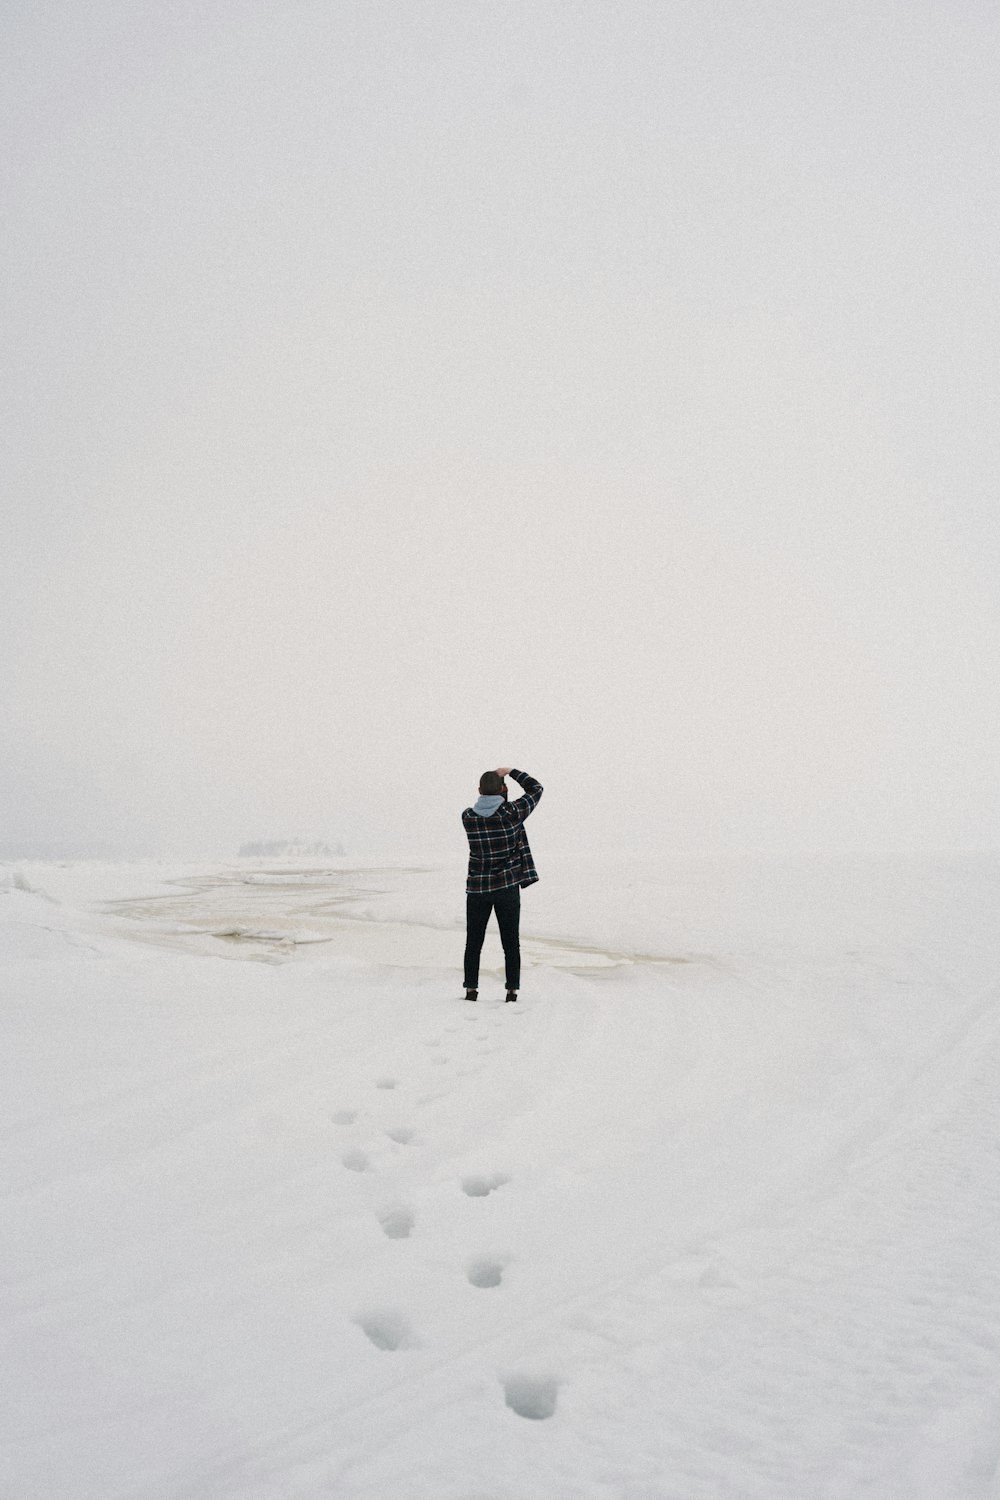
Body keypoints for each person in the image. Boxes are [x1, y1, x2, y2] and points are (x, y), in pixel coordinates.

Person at [462, 766, 543, 1003]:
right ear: (503, 790)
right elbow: (536, 788)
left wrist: (500, 792)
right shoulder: (512, 813)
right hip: (507, 886)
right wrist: (512, 772)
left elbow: (490, 809)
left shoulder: (468, 817)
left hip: (477, 888)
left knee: (474, 941)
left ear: (479, 790)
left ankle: (471, 990)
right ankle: (511, 990)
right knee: (510, 941)